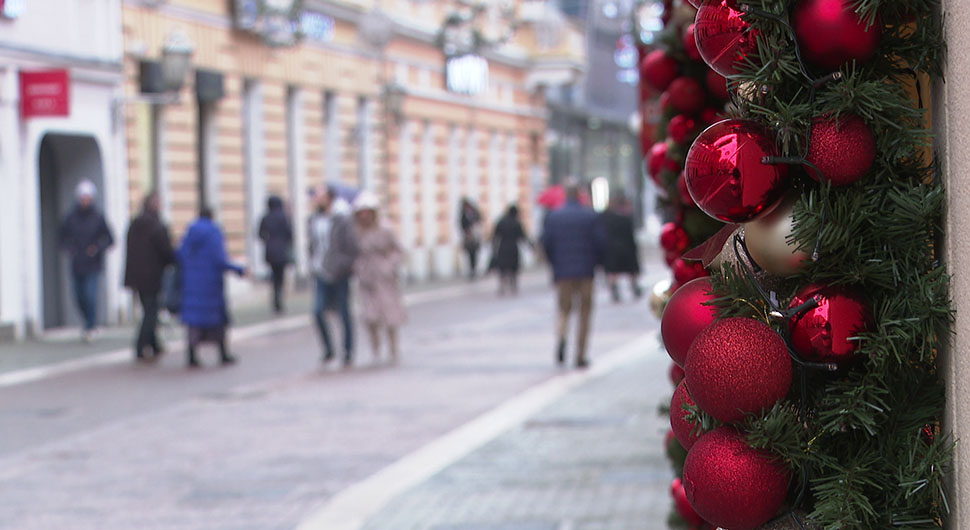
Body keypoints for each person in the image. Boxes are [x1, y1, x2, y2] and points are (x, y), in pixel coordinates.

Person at [540, 181, 607, 369]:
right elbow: (601, 242)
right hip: (586, 271)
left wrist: (554, 264)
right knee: (585, 313)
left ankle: (561, 337)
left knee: (563, 310)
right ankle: (580, 354)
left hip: (563, 273)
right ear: (579, 194)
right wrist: (596, 262)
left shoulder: (554, 216)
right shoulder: (590, 216)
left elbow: (546, 242)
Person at [177, 207, 246, 368]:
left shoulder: (189, 233)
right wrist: (239, 270)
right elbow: (220, 259)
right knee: (218, 320)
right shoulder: (214, 233)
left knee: (194, 322)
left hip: (192, 284)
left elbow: (180, 255)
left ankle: (191, 356)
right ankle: (223, 353)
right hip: (211, 284)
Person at [352, 191, 407, 363]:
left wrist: (389, 266)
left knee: (390, 315)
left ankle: (393, 348)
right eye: (361, 212)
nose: (364, 215)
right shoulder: (356, 232)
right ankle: (375, 349)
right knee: (370, 317)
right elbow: (354, 253)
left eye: (368, 211)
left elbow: (399, 251)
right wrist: (357, 268)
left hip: (384, 279)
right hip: (367, 278)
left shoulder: (385, 229)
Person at [308, 185, 358, 366]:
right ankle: (328, 349)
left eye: (320, 196)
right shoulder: (314, 219)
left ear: (329, 198)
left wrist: (342, 266)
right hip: (320, 271)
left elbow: (351, 247)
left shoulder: (342, 220)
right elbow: (312, 244)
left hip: (339, 273)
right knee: (317, 311)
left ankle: (348, 350)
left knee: (344, 312)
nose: (316, 199)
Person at [59, 180, 114, 342]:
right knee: (79, 297)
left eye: (87, 197)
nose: (85, 200)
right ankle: (88, 322)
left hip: (93, 264)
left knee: (90, 295)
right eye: (83, 197)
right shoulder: (70, 218)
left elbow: (109, 239)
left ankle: (90, 326)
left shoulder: (97, 217)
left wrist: (96, 247)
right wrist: (70, 249)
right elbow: (62, 237)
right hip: (77, 264)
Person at [123, 192, 176, 360]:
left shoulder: (135, 224)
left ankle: (153, 344)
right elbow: (165, 250)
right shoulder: (156, 225)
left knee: (148, 309)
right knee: (151, 312)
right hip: (152, 275)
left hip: (137, 276)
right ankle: (141, 345)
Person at [600, 194, 642, 302]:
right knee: (631, 270)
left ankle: (615, 290)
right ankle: (634, 287)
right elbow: (631, 236)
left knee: (613, 271)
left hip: (612, 248)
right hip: (626, 247)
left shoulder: (605, 218)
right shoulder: (626, 218)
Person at [258, 195, 293, 314]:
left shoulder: (266, 218)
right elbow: (289, 234)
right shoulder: (282, 217)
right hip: (281, 251)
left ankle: (275, 301)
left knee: (274, 277)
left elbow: (260, 234)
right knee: (280, 278)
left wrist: (269, 240)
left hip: (270, 252)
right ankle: (279, 302)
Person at [491, 204, 531, 296]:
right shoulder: (516, 223)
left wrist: (494, 248)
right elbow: (522, 236)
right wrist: (530, 246)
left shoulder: (501, 221)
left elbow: (495, 236)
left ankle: (501, 287)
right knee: (513, 268)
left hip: (503, 247)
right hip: (513, 247)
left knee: (503, 269)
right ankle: (513, 286)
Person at [459, 198, 482, 280]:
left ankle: (474, 268)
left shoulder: (474, 212)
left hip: (475, 235)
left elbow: (479, 220)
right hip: (468, 237)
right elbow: (461, 224)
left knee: (475, 253)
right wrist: (466, 231)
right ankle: (471, 269)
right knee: (469, 253)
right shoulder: (463, 214)